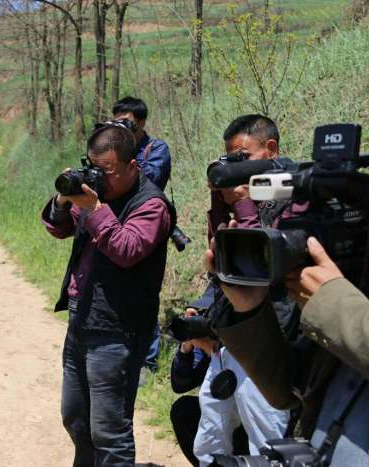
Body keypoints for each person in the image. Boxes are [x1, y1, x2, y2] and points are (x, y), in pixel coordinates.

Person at [42, 122, 175, 465]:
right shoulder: (96, 193)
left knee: (109, 431)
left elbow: (128, 248)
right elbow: (60, 228)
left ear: (133, 166)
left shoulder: (152, 205)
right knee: (75, 418)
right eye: (93, 168)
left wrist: (95, 209)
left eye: (107, 171)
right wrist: (64, 197)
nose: (100, 178)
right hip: (82, 318)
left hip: (118, 329)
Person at [206, 233, 369, 466]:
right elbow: (289, 390)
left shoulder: (343, 302)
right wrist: (248, 307)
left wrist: (333, 304)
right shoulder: (367, 281)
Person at [192, 115, 297, 465]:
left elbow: (258, 266)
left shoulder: (294, 193)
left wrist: (242, 203)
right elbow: (224, 258)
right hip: (233, 336)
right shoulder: (247, 195)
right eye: (230, 160)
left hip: (272, 336)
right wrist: (221, 202)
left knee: (266, 446)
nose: (237, 168)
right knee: (208, 440)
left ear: (271, 150)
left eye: (242, 157)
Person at [112, 96, 172, 373]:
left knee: (146, 291)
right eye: (117, 122)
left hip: (148, 226)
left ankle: (147, 361)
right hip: (114, 226)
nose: (122, 129)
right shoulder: (110, 148)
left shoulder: (155, 149)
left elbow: (150, 179)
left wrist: (124, 153)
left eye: (128, 123)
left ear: (142, 122)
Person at [168, 284, 249, 466]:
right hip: (221, 419)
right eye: (196, 313)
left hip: (245, 420)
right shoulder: (205, 337)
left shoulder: (238, 340)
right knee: (183, 410)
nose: (200, 320)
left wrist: (215, 351)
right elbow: (179, 385)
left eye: (204, 314)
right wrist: (186, 349)